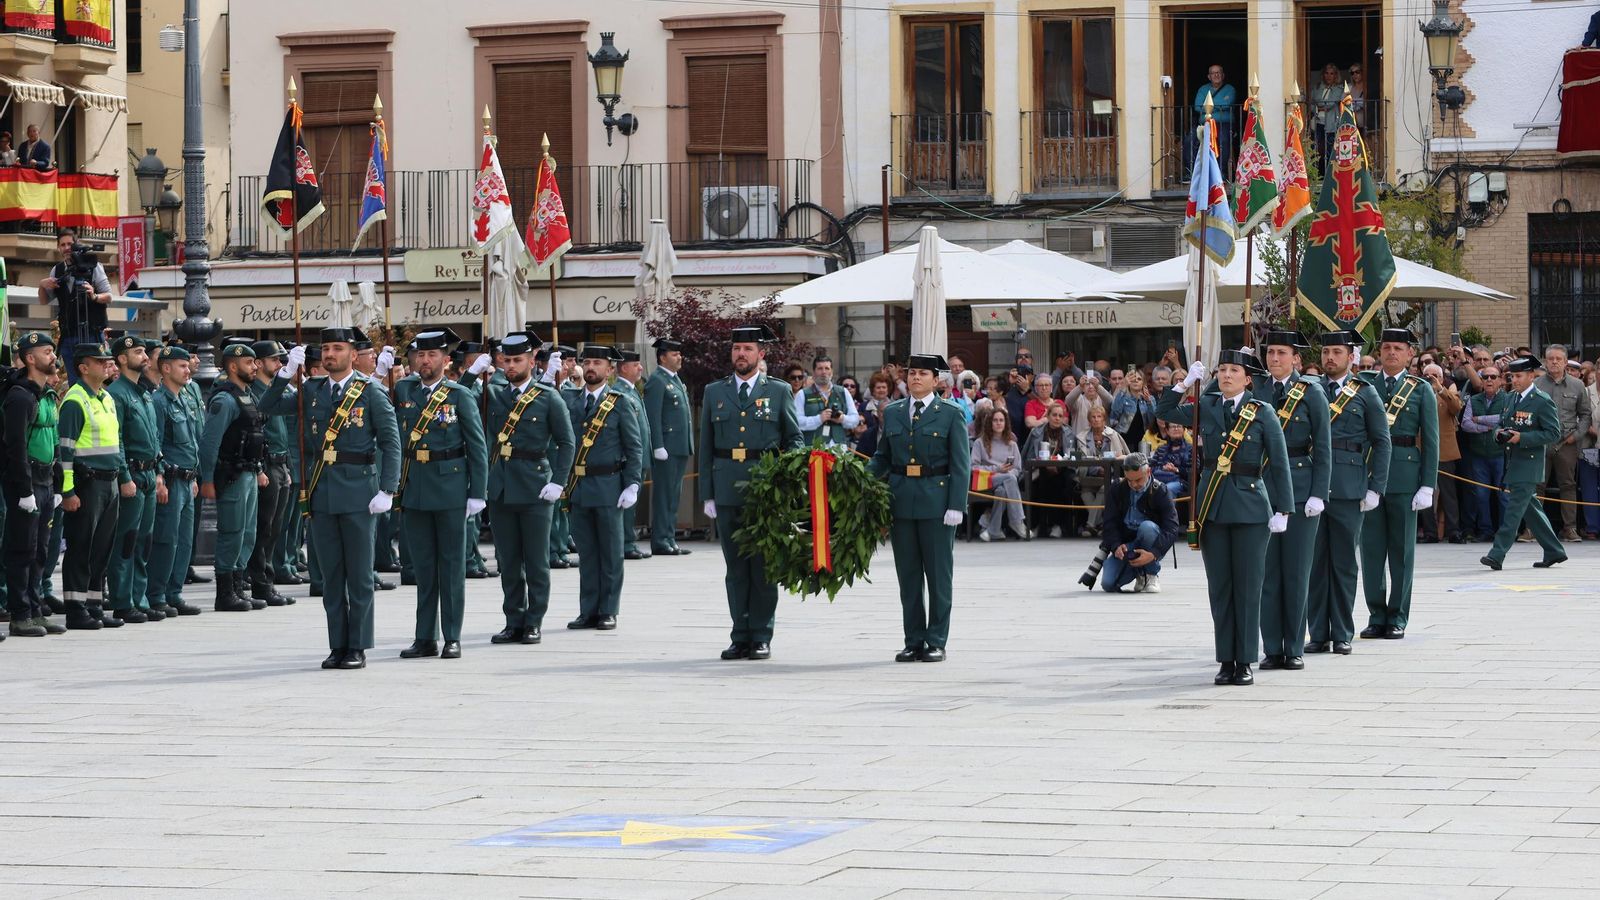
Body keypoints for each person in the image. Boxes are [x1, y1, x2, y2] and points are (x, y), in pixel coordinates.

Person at [261, 329, 401, 670]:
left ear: (353, 355)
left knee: (359, 575)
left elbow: (390, 441)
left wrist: (387, 489)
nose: (330, 354)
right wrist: (282, 374)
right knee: (331, 576)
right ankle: (337, 644)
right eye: (325, 348)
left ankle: (358, 646)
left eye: (338, 348)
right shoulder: (310, 390)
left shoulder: (370, 393)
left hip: (359, 494)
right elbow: (266, 406)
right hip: (321, 492)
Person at [1157, 351, 1292, 687]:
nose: (1227, 375)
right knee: (1220, 588)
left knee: (1248, 587)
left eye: (1235, 370)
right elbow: (1164, 412)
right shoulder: (1207, 406)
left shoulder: (1262, 412)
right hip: (1213, 505)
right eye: (1222, 370)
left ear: (1248, 379)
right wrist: (1184, 384)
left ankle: (1244, 659)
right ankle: (1225, 659)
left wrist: (1283, 508)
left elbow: (1279, 461)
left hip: (1249, 507)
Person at [699, 325, 803, 661]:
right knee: (735, 568)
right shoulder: (715, 392)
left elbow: (794, 439)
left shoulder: (779, 390)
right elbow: (706, 447)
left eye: (747, 349)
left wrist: (787, 478)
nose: (740, 355)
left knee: (762, 567)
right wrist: (708, 494)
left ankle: (761, 634)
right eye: (736, 349)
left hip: (764, 490)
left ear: (761, 354)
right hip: (727, 487)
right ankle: (739, 634)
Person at [472, 332, 574, 646]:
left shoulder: (548, 396)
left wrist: (558, 481)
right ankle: (513, 620)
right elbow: (455, 399)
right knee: (509, 561)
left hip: (535, 486)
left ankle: (534, 621)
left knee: (536, 560)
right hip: (502, 486)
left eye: (519, 360)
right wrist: (471, 373)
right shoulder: (492, 393)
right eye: (507, 360)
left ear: (532, 361)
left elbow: (567, 442)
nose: (512, 365)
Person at [392, 328, 487, 660]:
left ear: (446, 361)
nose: (425, 360)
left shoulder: (459, 395)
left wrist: (478, 492)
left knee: (451, 566)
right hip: (415, 488)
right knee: (422, 566)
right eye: (420, 354)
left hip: (450, 488)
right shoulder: (404, 390)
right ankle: (424, 637)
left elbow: (477, 446)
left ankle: (452, 636)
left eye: (432, 355)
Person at [869, 353, 970, 662]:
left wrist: (956, 504)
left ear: (936, 380)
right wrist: (858, 475)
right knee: (909, 577)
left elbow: (961, 463)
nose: (915, 378)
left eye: (923, 373)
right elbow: (882, 456)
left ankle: (936, 639)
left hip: (936, 502)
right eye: (912, 373)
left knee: (939, 577)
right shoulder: (895, 411)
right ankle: (913, 639)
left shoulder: (950, 413)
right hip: (901, 501)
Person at [1306, 331, 1390, 656]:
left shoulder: (1365, 393)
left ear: (1350, 357)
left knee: (1343, 563)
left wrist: (1376, 487)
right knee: (1315, 563)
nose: (1330, 358)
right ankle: (1318, 632)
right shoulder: (1310, 390)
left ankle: (1342, 631)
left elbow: (1382, 441)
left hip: (1348, 485)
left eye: (1337, 352)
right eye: (1326, 351)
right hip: (1313, 485)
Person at [1253, 330, 1332, 672]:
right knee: (1268, 574)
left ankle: (1295, 646)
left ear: (1295, 358)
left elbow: (1324, 445)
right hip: (1265, 488)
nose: (1275, 359)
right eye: (1270, 353)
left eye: (1282, 353)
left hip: (1301, 487)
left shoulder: (1311, 391)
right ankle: (1272, 647)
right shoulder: (1257, 388)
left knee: (1297, 573)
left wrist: (1319, 492)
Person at [1357, 329, 1439, 641]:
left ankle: (1398, 616)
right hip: (1370, 473)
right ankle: (1376, 614)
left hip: (1405, 475)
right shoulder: (1364, 385)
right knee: (1372, 550)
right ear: (1379, 351)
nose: (1391, 353)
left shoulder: (1419, 389)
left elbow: (1430, 440)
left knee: (1402, 552)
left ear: (1409, 355)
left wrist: (1427, 485)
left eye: (1398, 348)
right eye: (1387, 347)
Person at [563, 346, 644, 632]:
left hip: (609, 484)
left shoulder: (620, 402)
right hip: (579, 485)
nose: (591, 367)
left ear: (610, 370)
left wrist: (632, 483)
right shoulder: (570, 400)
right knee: (587, 552)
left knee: (610, 552)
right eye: (587, 362)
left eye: (598, 363)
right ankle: (588, 609)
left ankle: (608, 609)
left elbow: (634, 446)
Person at [58, 342, 127, 630]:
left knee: (102, 548)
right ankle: (76, 609)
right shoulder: (75, 400)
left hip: (109, 482)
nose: (106, 364)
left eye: (107, 360)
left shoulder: (106, 398)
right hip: (87, 485)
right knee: (81, 547)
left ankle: (94, 605)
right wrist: (68, 491)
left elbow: (117, 442)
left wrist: (123, 477)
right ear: (84, 368)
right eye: (100, 361)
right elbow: (65, 451)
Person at [199, 342, 270, 613]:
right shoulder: (224, 400)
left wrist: (260, 469)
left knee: (248, 533)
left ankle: (239, 587)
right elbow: (209, 444)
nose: (255, 367)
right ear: (232, 366)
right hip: (232, 475)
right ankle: (225, 593)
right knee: (232, 532)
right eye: (250, 362)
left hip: (250, 472)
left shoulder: (248, 396)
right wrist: (207, 479)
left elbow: (255, 436)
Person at [2, 332, 64, 637]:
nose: (52, 356)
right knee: (21, 550)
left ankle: (36, 610)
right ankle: (20, 614)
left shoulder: (47, 396)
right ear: (29, 358)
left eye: (52, 351)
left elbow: (53, 441)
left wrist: (59, 485)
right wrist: (24, 491)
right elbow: (15, 447)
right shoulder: (20, 396)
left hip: (45, 482)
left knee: (41, 550)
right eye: (46, 351)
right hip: (24, 484)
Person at [1482, 355, 1567, 570]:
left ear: (1532, 376)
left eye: (1519, 376)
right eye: (1512, 376)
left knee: (1513, 512)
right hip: (1513, 462)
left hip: (1529, 464)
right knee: (1531, 510)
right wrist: (1498, 434)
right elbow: (1499, 425)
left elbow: (1553, 433)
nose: (1515, 380)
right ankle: (1554, 550)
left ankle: (1497, 554)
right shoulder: (1510, 398)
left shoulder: (1542, 401)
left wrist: (1523, 438)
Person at [103, 335, 166, 623]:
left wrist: (160, 471)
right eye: (138, 352)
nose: (145, 356)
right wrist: (125, 476)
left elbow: (154, 437)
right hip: (131, 474)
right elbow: (117, 439)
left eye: (144, 351)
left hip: (149, 474)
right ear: (121, 359)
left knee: (144, 541)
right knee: (126, 541)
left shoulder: (143, 392)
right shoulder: (117, 393)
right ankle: (122, 601)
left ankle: (139, 599)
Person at [146, 345, 202, 619]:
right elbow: (155, 442)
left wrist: (194, 475)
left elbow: (190, 441)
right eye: (182, 365)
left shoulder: (182, 398)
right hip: (170, 478)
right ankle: (156, 595)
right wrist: (159, 477)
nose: (187, 369)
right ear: (166, 368)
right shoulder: (159, 401)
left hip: (186, 478)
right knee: (166, 540)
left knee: (184, 541)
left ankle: (174, 593)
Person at [244, 341, 295, 607]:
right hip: (265, 465)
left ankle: (267, 581)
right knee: (263, 528)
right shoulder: (255, 392)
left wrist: (286, 466)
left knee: (275, 529)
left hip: (280, 463)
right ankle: (260, 583)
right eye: (275, 360)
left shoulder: (276, 390)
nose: (280, 365)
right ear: (261, 363)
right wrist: (262, 468)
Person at [1097, 453, 1181, 594]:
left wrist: (1154, 553)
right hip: (1127, 546)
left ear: (1148, 472)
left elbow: (1172, 528)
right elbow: (1109, 523)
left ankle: (1151, 574)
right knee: (1108, 584)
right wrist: (1116, 545)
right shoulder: (1117, 488)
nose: (1134, 485)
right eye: (1129, 480)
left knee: (1147, 527)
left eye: (1138, 480)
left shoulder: (1160, 490)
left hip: (1152, 541)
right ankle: (1139, 574)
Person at [1534, 344, 1590, 542]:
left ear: (1566, 362)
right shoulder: (1537, 384)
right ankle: (1534, 529)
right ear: (1545, 361)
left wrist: (1577, 435)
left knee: (1568, 485)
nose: (1555, 362)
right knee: (1537, 485)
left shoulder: (1577, 385)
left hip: (1567, 443)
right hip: (1541, 443)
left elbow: (1585, 415)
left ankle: (1570, 528)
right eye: (1551, 359)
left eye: (1559, 358)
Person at [38, 229, 112, 375]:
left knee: (95, 375)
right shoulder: (57, 270)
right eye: (63, 244)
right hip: (69, 334)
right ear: (58, 247)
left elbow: (109, 296)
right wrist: (41, 285)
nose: (66, 248)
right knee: (74, 379)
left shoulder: (93, 265)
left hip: (92, 333)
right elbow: (44, 300)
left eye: (70, 244)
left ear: (76, 245)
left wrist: (94, 296)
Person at [644, 338, 693, 556]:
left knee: (673, 495)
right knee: (664, 495)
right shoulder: (657, 380)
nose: (679, 357)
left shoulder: (673, 379)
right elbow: (652, 416)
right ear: (663, 357)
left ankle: (669, 537)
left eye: (679, 353)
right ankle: (661, 539)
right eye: (674, 354)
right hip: (667, 447)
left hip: (679, 446)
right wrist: (658, 445)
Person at [1459, 366, 1511, 540]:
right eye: (1485, 377)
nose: (1489, 380)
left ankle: (1505, 532)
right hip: (1479, 455)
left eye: (1493, 377)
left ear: (1500, 380)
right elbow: (1465, 424)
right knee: (1481, 495)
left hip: (1500, 454)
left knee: (1503, 495)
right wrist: (1488, 427)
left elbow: (1505, 419)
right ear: (1481, 380)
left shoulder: (1508, 399)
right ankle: (1486, 531)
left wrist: (1479, 420)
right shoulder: (1474, 400)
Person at [613, 349, 651, 561]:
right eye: (636, 365)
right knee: (627, 504)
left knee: (631, 504)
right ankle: (626, 543)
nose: (640, 368)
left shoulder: (632, 390)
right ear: (624, 367)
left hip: (638, 457)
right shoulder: (620, 392)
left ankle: (628, 541)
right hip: (629, 459)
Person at [1419, 363, 1464, 543]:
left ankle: (1454, 531)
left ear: (1441, 376)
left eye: (1434, 375)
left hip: (1444, 450)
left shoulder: (1446, 393)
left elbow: (1457, 407)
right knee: (1424, 491)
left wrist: (1440, 389)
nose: (1430, 378)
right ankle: (1430, 532)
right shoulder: (1417, 394)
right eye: (1427, 375)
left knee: (1449, 494)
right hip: (1422, 450)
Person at [971, 407, 1029, 542]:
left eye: (1001, 420)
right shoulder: (980, 443)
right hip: (985, 480)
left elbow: (1017, 468)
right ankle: (1017, 521)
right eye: (995, 420)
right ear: (990, 423)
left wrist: (1008, 473)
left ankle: (993, 530)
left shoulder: (1012, 444)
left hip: (1005, 483)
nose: (998, 423)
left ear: (1006, 423)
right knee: (1009, 478)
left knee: (1002, 490)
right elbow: (973, 467)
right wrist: (997, 469)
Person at [1021, 401, 1077, 538]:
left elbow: (1073, 457)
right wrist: (1044, 465)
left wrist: (1058, 466)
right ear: (1048, 416)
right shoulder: (1036, 431)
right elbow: (1026, 455)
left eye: (1060, 415)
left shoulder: (1069, 432)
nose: (1057, 418)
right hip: (1039, 469)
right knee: (1040, 483)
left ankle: (1058, 525)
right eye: (1054, 415)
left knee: (1064, 483)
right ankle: (1036, 524)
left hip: (1062, 469)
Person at [1074, 405, 1130, 535]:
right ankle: (1100, 525)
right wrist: (1096, 470)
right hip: (1089, 478)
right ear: (1089, 420)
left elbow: (1121, 456)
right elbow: (1081, 460)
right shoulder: (1082, 437)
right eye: (1093, 417)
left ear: (1104, 419)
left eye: (1099, 416)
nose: (1096, 419)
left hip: (1109, 477)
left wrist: (1106, 469)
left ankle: (1090, 525)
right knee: (1085, 492)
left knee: (1105, 489)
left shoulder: (1112, 435)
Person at [796, 353, 859, 446]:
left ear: (832, 372)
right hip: (813, 449)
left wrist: (842, 419)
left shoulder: (843, 392)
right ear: (813, 372)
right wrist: (819, 419)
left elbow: (855, 420)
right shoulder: (803, 394)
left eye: (827, 368)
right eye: (820, 368)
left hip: (839, 449)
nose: (823, 372)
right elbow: (797, 422)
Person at [1188, 64, 1237, 173]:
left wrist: (1209, 106)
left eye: (1218, 72)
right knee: (1190, 140)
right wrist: (1219, 106)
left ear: (1223, 75)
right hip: (1205, 124)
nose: (1216, 75)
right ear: (1209, 77)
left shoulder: (1230, 89)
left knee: (1222, 140)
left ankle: (1220, 172)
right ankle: (1192, 172)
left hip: (1224, 124)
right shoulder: (1203, 89)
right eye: (1213, 73)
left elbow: (1227, 104)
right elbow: (1197, 106)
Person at [1310, 63, 1343, 178]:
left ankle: (1330, 175)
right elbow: (1311, 103)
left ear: (1335, 75)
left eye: (1331, 74)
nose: (1329, 76)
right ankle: (1319, 174)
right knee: (1317, 149)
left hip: (1331, 123)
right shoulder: (1318, 87)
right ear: (1323, 75)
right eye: (1326, 73)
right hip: (1318, 122)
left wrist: (1319, 105)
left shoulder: (1339, 89)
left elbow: (1330, 103)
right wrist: (1318, 106)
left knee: (1330, 148)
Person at [1110, 370, 1155, 451]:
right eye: (1133, 379)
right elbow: (1115, 412)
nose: (1136, 381)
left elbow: (1153, 421)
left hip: (1143, 440)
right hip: (1124, 439)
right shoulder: (1122, 396)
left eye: (1139, 379)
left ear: (1143, 383)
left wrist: (1148, 402)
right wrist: (1123, 388)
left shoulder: (1150, 399)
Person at [1150, 420, 1193, 500]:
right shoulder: (1161, 449)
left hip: (1181, 482)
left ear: (1184, 430)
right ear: (1167, 430)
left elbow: (1194, 470)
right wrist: (1163, 468)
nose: (1176, 429)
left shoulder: (1191, 449)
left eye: (1179, 426)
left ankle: (1169, 512)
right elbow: (1150, 468)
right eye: (1173, 427)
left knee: (1167, 489)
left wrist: (1176, 470)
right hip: (1160, 479)